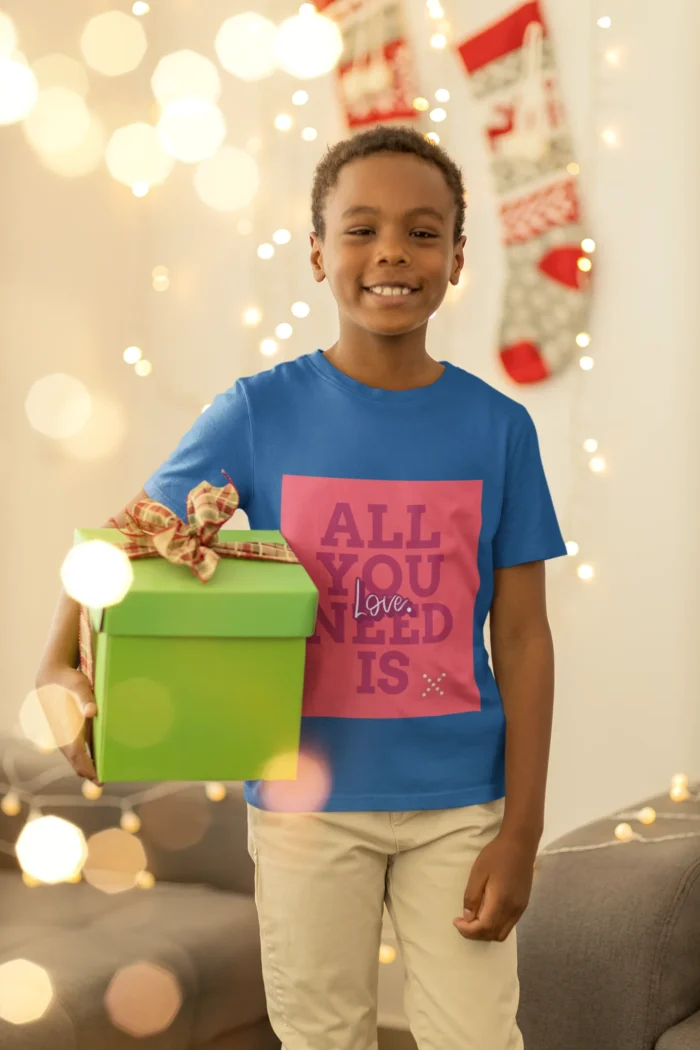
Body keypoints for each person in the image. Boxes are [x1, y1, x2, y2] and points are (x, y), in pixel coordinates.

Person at [36, 125, 567, 1050]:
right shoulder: (256, 411)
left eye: (422, 231)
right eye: (360, 230)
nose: (392, 252)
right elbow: (129, 541)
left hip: (462, 805)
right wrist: (59, 664)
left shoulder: (500, 430)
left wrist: (522, 829)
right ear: (318, 252)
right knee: (325, 1036)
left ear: (457, 259)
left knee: (481, 1038)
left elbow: (521, 638)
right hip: (305, 807)